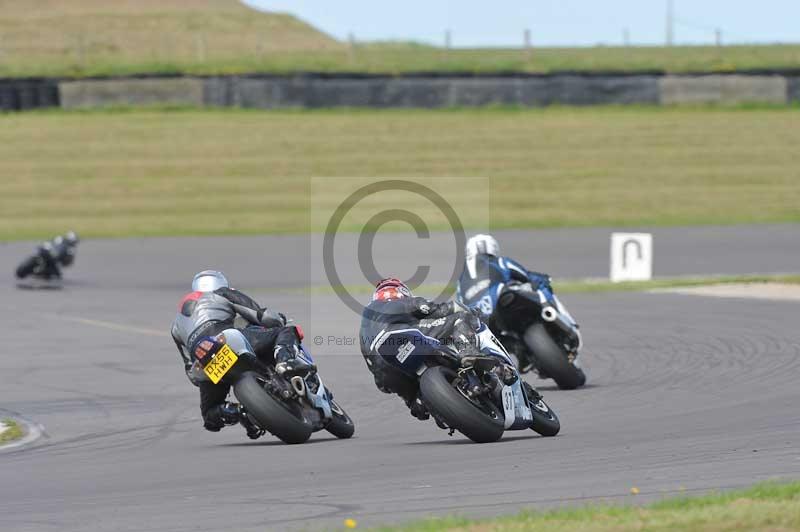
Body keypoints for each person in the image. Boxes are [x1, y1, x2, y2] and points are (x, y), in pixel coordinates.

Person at [171, 270, 311, 439]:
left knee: (209, 415)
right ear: (220, 283)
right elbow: (260, 315)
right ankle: (285, 361)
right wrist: (278, 320)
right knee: (285, 332)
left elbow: (191, 373)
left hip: (204, 361)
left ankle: (238, 412)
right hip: (225, 338)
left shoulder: (175, 326)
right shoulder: (222, 293)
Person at [359, 278, 481, 421]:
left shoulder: (364, 328)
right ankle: (470, 356)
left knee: (416, 402)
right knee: (459, 319)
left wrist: (408, 398)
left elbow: (376, 373)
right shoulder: (395, 302)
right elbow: (438, 309)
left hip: (384, 372)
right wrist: (471, 312)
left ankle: (421, 403)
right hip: (401, 339)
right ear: (400, 292)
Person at [456, 234, 559, 373]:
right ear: (493, 247)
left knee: (490, 337)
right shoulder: (498, 261)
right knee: (538, 286)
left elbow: (461, 304)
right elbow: (527, 276)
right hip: (503, 300)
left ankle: (518, 352)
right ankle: (549, 313)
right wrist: (544, 280)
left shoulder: (461, 280)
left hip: (480, 317)